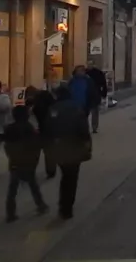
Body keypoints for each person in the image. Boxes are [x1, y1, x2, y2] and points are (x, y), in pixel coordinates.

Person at [48, 86, 92, 220]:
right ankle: (67, 207)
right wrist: (87, 144)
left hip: (59, 146)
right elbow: (83, 128)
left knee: (65, 176)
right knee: (71, 178)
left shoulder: (53, 109)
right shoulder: (76, 108)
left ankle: (63, 205)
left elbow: (48, 128)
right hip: (74, 147)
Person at [3, 105, 48, 222]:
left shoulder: (9, 129)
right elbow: (35, 146)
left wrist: (11, 157)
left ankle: (10, 213)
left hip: (15, 161)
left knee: (12, 188)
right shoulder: (29, 128)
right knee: (33, 185)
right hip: (27, 161)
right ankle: (41, 205)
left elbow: (7, 146)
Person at [27, 86, 58, 178]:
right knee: (48, 151)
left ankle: (32, 170)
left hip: (44, 128)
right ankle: (50, 170)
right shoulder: (44, 97)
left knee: (37, 152)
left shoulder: (39, 99)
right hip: (47, 128)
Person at [67, 66, 100, 133]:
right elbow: (68, 91)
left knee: (84, 117)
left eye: (82, 71)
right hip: (74, 103)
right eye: (78, 71)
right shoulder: (72, 81)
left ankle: (87, 129)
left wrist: (95, 101)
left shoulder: (88, 81)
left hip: (85, 103)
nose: (80, 72)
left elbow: (93, 92)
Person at [85, 63, 108, 128]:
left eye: (91, 64)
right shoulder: (84, 73)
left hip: (95, 94)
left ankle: (94, 126)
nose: (89, 65)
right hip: (88, 94)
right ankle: (88, 126)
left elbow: (103, 83)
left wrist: (104, 93)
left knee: (94, 111)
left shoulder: (98, 73)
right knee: (87, 112)